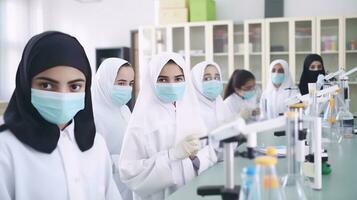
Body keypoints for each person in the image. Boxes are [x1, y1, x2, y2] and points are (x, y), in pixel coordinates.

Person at [0, 31, 121, 200]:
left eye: (74, 87)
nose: (63, 96)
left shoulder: (96, 144)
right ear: (26, 83)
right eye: (47, 85)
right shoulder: (5, 149)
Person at [118, 52, 217, 200]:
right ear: (152, 81)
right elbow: (129, 173)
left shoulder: (192, 111)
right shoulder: (141, 121)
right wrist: (171, 156)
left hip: (193, 193)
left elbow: (209, 152)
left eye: (178, 79)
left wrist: (196, 160)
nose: (171, 85)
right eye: (163, 79)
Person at [92, 58, 134, 200]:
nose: (127, 88)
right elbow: (92, 159)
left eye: (130, 84)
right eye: (121, 83)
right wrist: (123, 162)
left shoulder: (124, 109)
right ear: (106, 81)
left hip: (128, 183)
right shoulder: (92, 114)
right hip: (106, 186)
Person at [191, 61, 232, 132]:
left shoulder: (220, 104)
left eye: (217, 78)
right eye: (207, 78)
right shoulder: (190, 109)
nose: (213, 82)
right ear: (196, 81)